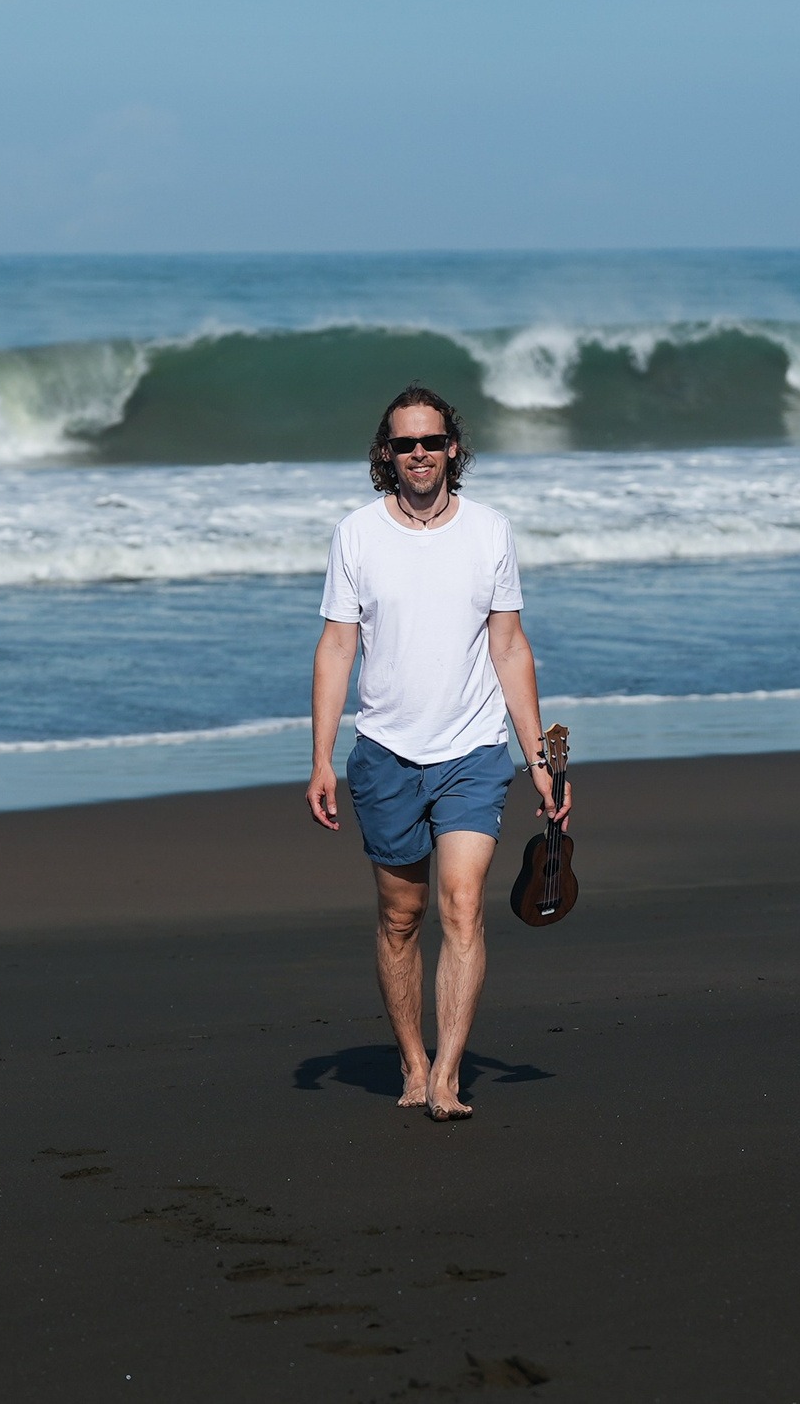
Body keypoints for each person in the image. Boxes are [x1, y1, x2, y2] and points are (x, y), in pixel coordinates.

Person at [306, 384, 572, 1122]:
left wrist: (539, 757)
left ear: (453, 447)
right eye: (403, 445)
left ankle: (448, 1074)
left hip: (474, 748)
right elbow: (336, 646)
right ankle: (413, 1061)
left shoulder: (490, 532)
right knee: (401, 915)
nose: (417, 454)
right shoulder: (357, 534)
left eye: (430, 441)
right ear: (385, 455)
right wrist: (323, 756)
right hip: (386, 750)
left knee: (461, 904)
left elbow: (509, 644)